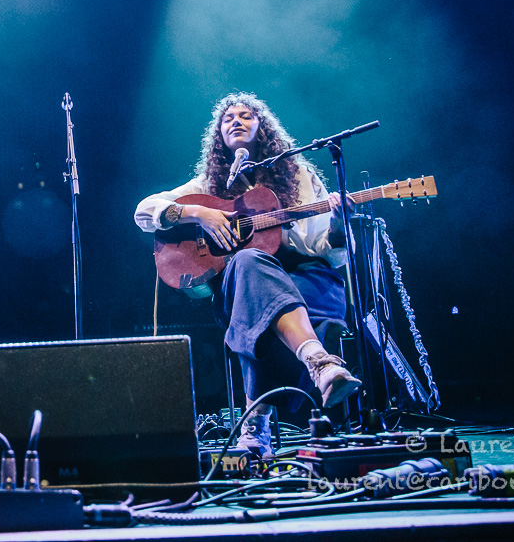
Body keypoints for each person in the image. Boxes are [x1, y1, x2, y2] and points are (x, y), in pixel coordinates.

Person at [134, 92, 361, 455]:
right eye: (228, 118)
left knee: (255, 306)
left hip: (307, 282)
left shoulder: (298, 175)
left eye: (245, 116)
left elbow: (325, 249)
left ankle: (255, 425)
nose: (236, 121)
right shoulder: (208, 186)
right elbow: (144, 212)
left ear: (262, 127)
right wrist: (200, 214)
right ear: (219, 135)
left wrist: (337, 223)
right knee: (248, 263)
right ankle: (320, 363)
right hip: (243, 282)